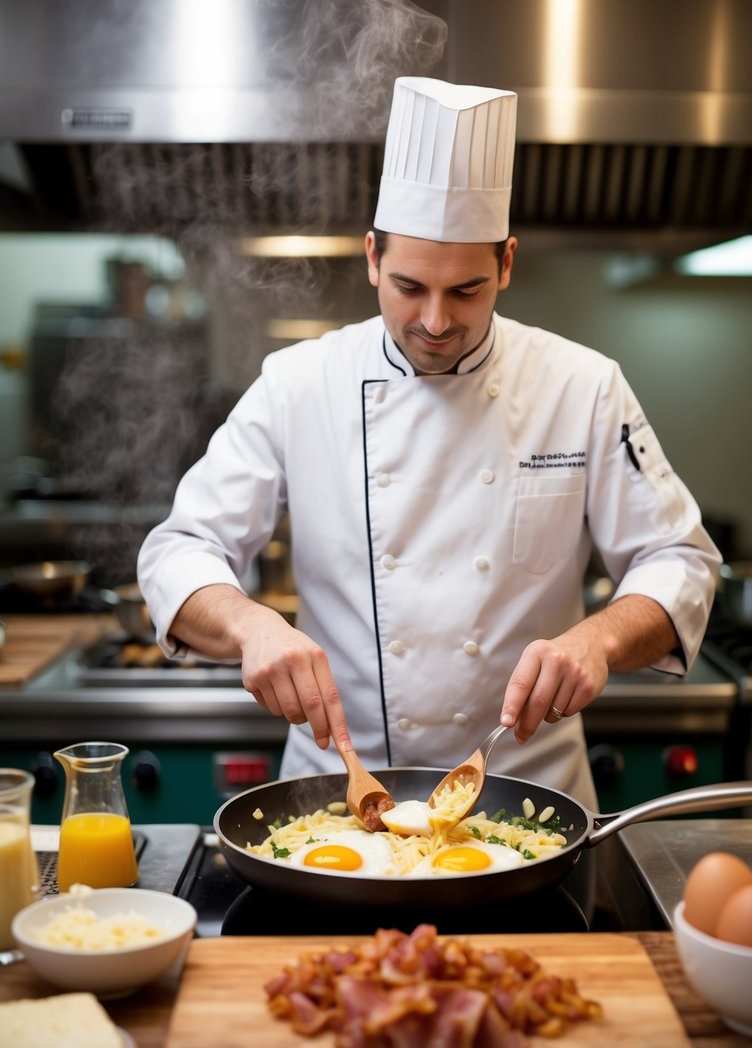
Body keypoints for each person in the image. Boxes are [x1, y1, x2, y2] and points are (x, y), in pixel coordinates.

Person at [137, 76, 721, 810]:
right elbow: (176, 551)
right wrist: (250, 624)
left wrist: (598, 641)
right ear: (372, 257)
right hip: (336, 805)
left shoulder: (582, 386)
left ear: (506, 263)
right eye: (409, 287)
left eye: (467, 290)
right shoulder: (299, 384)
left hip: (526, 801)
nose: (436, 321)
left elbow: (681, 561)